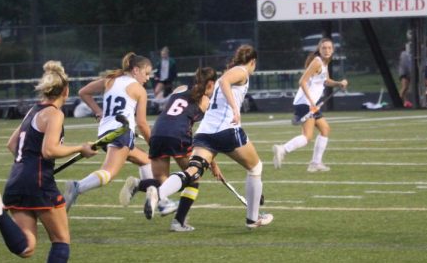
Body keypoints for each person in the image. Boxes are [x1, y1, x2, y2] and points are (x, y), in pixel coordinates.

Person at [0, 61, 98, 263]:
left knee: (27, 247)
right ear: (66, 91)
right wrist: (79, 148)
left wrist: (30, 163)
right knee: (61, 239)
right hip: (39, 182)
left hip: (17, 179)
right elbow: (49, 150)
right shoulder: (55, 113)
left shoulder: (32, 111)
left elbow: (11, 144)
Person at [150, 44, 273, 228]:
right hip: (227, 130)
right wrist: (234, 109)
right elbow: (224, 82)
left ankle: (159, 194)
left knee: (192, 172)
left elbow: (222, 83)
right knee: (256, 168)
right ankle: (253, 218)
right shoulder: (241, 71)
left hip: (205, 133)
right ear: (252, 62)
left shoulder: (228, 73)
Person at [62, 52, 177, 217]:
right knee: (108, 173)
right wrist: (154, 144)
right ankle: (77, 186)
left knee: (145, 161)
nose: (147, 78)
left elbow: (83, 92)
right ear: (136, 70)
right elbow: (143, 123)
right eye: (146, 73)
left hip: (106, 132)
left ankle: (162, 202)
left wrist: (98, 112)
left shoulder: (110, 81)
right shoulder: (139, 90)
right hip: (121, 132)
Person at [119, 67, 223, 232]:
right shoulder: (205, 102)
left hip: (157, 133)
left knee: (163, 181)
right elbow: (205, 136)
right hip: (178, 135)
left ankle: (139, 185)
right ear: (210, 84)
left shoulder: (180, 89)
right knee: (192, 177)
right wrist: (213, 164)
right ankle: (178, 222)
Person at [272, 37, 349, 172]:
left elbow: (325, 81)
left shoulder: (324, 64)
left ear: (333, 50)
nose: (327, 50)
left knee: (325, 129)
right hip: (305, 103)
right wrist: (312, 102)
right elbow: (302, 81)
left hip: (310, 104)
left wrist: (338, 83)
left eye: (329, 48)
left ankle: (315, 163)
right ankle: (282, 149)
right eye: (324, 48)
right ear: (319, 49)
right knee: (307, 137)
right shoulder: (317, 62)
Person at [398, 32, 414, 108]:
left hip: (404, 72)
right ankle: (399, 101)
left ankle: (405, 101)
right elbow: (406, 64)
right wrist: (409, 72)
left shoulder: (406, 54)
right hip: (404, 72)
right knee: (404, 87)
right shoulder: (404, 54)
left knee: (406, 88)